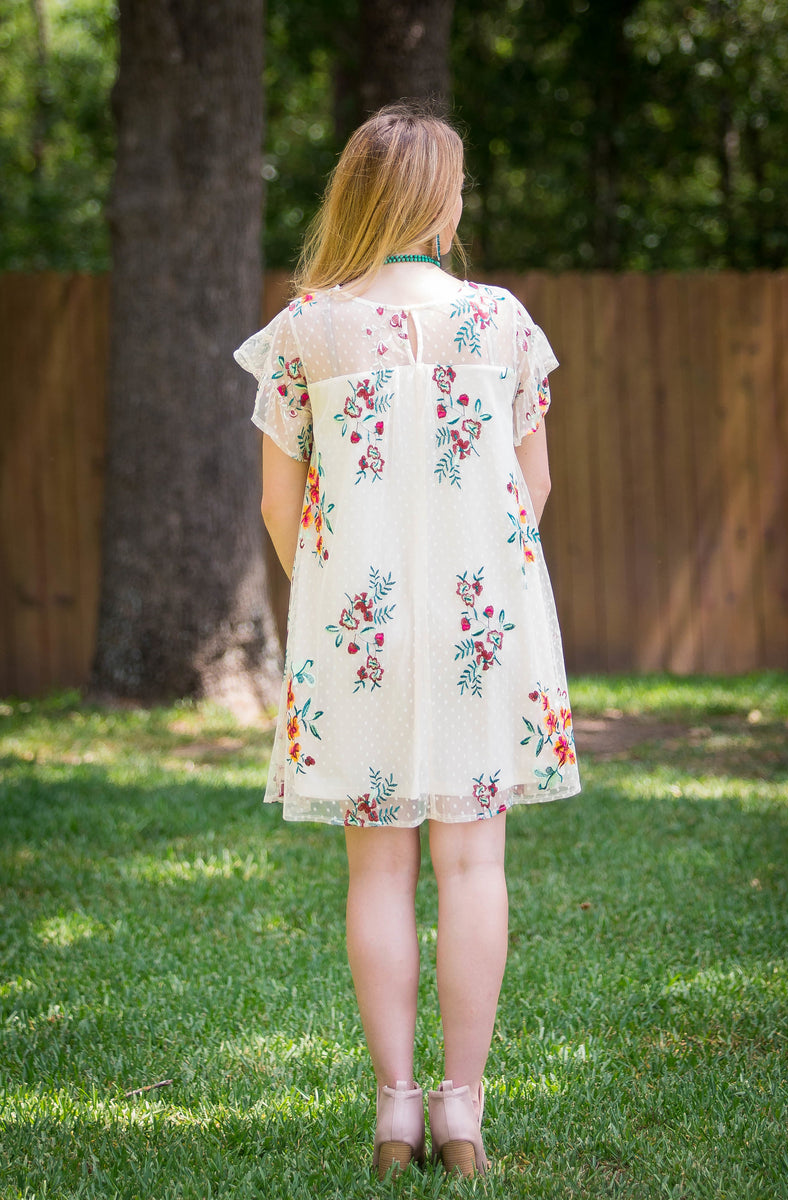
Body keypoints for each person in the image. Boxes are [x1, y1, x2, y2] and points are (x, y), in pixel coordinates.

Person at [234, 102, 580, 1178]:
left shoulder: (308, 328)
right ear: (440, 200)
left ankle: (395, 1115)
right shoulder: (502, 324)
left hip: (358, 635)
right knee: (473, 862)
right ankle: (462, 1115)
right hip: (484, 625)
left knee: (375, 874)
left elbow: (278, 508)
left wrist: (346, 609)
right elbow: (533, 487)